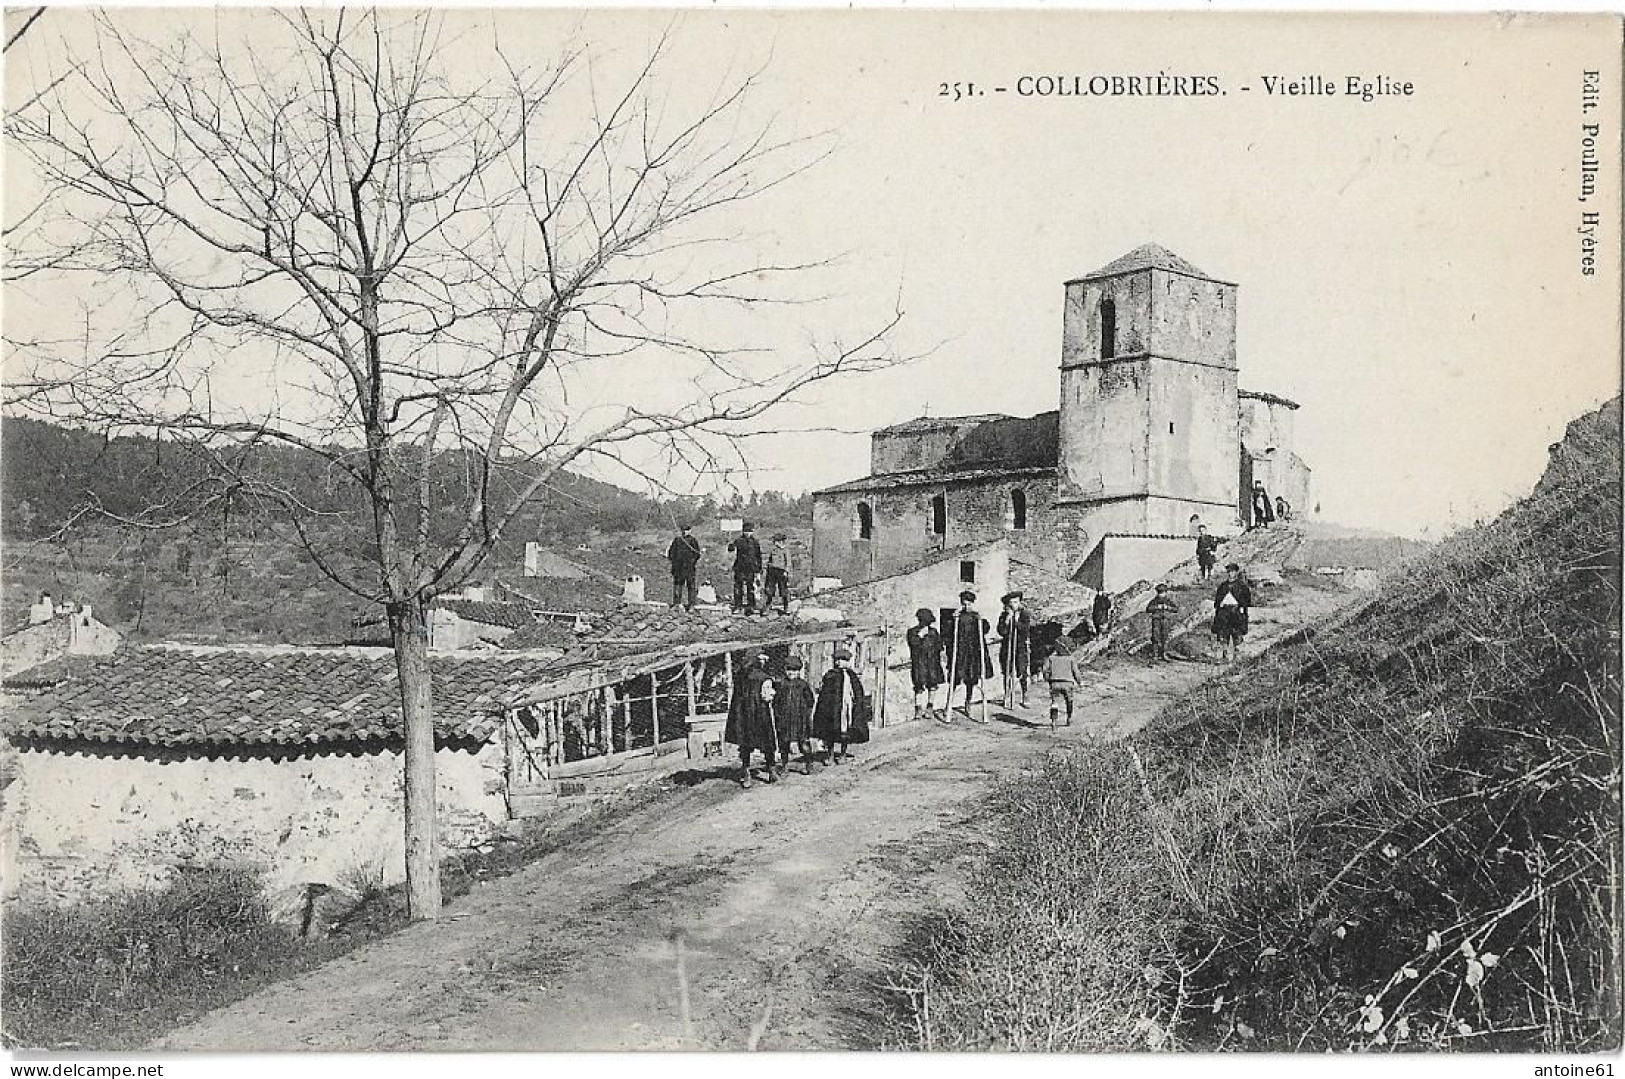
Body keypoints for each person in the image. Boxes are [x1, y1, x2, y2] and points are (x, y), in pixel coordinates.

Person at [726, 650, 780, 787]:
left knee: (745, 744)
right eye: (761, 660)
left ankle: (746, 774)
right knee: (767, 741)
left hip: (743, 714)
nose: (764, 662)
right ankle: (772, 771)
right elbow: (766, 697)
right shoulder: (764, 677)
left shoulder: (740, 677)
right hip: (760, 713)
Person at [813, 645, 871, 765]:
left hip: (847, 708)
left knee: (845, 732)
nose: (839, 662)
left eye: (842, 660)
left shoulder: (852, 676)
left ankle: (843, 754)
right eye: (837, 660)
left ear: (847, 661)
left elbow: (858, 692)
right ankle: (830, 755)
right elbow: (825, 694)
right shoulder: (830, 675)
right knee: (830, 732)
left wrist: (857, 705)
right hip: (832, 709)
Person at [945, 589, 993, 723]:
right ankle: (949, 703)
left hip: (974, 653)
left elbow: (985, 629)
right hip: (960, 653)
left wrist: (981, 620)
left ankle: (968, 701)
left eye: (969, 604)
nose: (967, 607)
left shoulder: (976, 617)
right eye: (964, 604)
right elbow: (949, 633)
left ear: (973, 603)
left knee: (971, 678)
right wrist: (952, 620)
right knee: (955, 677)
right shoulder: (957, 617)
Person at [774, 655, 818, 775]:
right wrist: (778, 714)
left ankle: (808, 763)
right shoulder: (781, 685)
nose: (791, 673)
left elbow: (810, 700)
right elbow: (776, 702)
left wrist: (805, 713)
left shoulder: (803, 685)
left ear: (799, 671)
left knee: (803, 742)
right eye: (788, 669)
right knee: (784, 743)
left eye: (794, 670)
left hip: (800, 719)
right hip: (784, 719)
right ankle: (784, 766)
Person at [905, 607, 946, 721]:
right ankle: (918, 708)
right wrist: (921, 637)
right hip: (919, 662)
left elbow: (939, 646)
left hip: (932, 662)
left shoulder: (933, 632)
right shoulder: (913, 632)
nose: (924, 623)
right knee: (918, 685)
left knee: (932, 685)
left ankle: (930, 707)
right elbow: (912, 645)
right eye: (922, 621)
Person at [996, 591, 1033, 707]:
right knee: (1007, 672)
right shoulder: (1004, 615)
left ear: (1020, 602)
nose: (1013, 605)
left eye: (1015, 602)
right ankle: (1007, 695)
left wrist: (1016, 622)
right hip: (1007, 647)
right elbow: (1001, 631)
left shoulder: (1025, 615)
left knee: (1022, 671)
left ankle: (1025, 695)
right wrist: (1008, 619)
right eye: (1011, 602)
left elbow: (1025, 630)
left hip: (1020, 647)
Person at [1212, 562, 1252, 663]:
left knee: (1237, 634)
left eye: (1233, 572)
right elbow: (1217, 600)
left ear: (1236, 572)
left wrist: (1242, 608)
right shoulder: (1223, 586)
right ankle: (1223, 656)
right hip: (1224, 612)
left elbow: (1247, 600)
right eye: (1229, 572)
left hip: (1236, 612)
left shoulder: (1242, 586)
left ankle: (1237, 657)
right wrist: (1219, 605)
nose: (1231, 574)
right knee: (1223, 634)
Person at [727, 521, 763, 615]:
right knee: (738, 587)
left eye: (749, 531)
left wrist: (759, 567)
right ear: (743, 531)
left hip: (750, 568)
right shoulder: (738, 540)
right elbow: (731, 549)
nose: (747, 533)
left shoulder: (755, 542)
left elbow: (758, 555)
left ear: (752, 532)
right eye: (746, 531)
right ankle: (738, 606)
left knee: (750, 587)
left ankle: (751, 605)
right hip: (739, 567)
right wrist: (730, 546)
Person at [1042, 638, 1078, 729]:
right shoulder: (1071, 659)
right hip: (1068, 683)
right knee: (1069, 701)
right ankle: (1069, 718)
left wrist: (1047, 678)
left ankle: (1054, 721)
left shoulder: (1051, 658)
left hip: (1055, 682)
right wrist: (1079, 681)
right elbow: (1076, 672)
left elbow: (1045, 670)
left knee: (1054, 702)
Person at [666, 524, 702, 610]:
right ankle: (676, 604)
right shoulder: (677, 540)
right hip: (678, 568)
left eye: (687, 530)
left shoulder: (693, 541)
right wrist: (675, 563)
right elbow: (671, 553)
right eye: (684, 530)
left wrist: (692, 562)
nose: (685, 532)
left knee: (691, 586)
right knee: (678, 585)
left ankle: (691, 604)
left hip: (689, 568)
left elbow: (697, 554)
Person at [1146, 583, 1179, 662]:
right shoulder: (1154, 601)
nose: (1162, 595)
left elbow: (1176, 609)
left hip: (1165, 620)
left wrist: (1168, 607)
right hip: (1156, 620)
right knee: (1155, 637)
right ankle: (1155, 655)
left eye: (1163, 592)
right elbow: (1148, 609)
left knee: (1165, 637)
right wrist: (1157, 607)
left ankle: (1163, 654)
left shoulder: (1167, 600)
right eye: (1160, 593)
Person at [764, 534, 792, 614]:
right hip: (772, 571)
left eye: (776, 541)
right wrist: (767, 568)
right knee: (770, 590)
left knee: (783, 590)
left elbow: (788, 562)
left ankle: (786, 607)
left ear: (780, 542)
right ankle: (768, 606)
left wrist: (786, 571)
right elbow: (770, 560)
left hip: (781, 571)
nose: (775, 543)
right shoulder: (773, 550)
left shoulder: (785, 550)